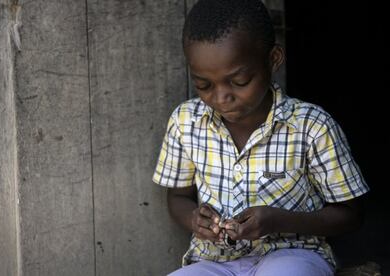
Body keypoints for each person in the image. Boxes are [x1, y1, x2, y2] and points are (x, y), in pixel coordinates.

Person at [152, 0, 369, 275]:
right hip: (214, 262)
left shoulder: (311, 126)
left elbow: (351, 215)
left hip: (293, 256)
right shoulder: (186, 121)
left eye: (239, 81)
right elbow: (178, 198)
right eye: (203, 85)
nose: (221, 97)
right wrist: (195, 219)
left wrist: (279, 220)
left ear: (273, 60)